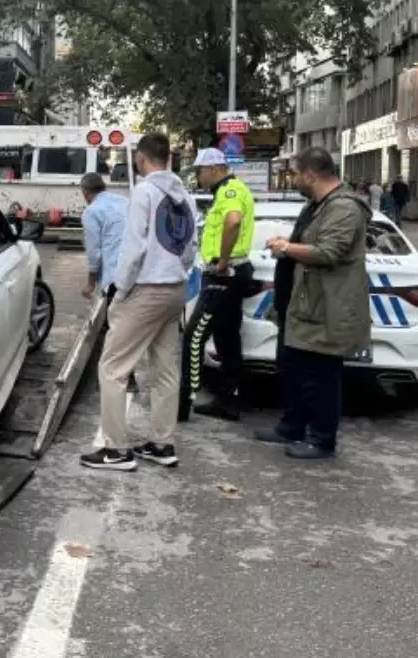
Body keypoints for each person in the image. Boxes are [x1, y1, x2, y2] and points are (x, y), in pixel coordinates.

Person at [81, 133, 196, 472]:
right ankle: (163, 443)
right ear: (170, 159)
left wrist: (121, 289)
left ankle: (115, 450)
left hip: (145, 289)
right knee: (164, 369)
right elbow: (190, 247)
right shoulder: (184, 195)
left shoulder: (144, 192)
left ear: (141, 159)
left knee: (113, 367)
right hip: (175, 287)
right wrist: (177, 270)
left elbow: (132, 251)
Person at [261, 147, 370, 460]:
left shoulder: (345, 207)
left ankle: (322, 439)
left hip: (325, 307)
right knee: (294, 367)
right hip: (304, 304)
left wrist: (287, 247)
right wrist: (290, 247)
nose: (292, 179)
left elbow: (329, 252)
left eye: (295, 173)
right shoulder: (318, 205)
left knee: (320, 375)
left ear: (311, 174)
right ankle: (292, 425)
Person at [184, 147, 256, 421]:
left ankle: (185, 397)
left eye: (200, 172)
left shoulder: (230, 191)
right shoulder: (232, 190)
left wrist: (223, 260)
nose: (199, 178)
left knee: (193, 336)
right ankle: (229, 399)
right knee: (227, 338)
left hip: (224, 275)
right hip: (231, 274)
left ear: (213, 169)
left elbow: (233, 221)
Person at [79, 172, 129, 302]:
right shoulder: (125, 201)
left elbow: (94, 252)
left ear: (85, 192)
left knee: (113, 319)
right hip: (138, 273)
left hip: (115, 277)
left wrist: (91, 283)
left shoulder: (92, 212)